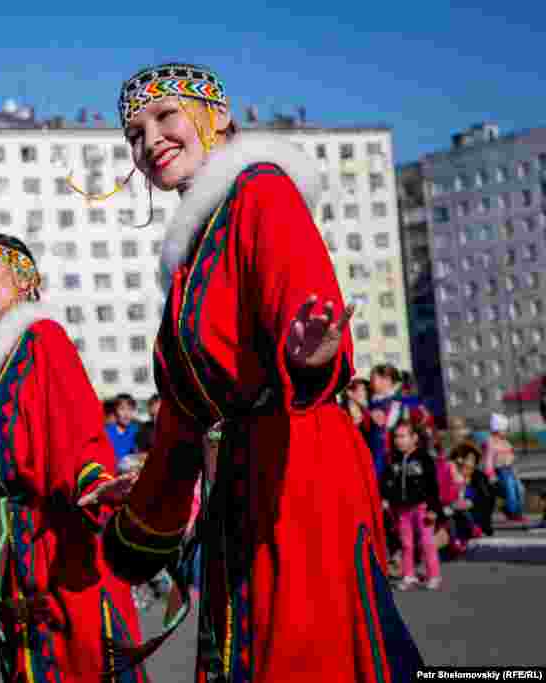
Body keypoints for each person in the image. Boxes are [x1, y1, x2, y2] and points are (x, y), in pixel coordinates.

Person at [97, 63, 422, 681]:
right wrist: (144, 506)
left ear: (219, 119)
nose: (150, 140)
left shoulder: (261, 191)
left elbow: (307, 306)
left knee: (303, 652)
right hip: (238, 484)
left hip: (297, 469)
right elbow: (182, 417)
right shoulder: (194, 248)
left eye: (166, 117)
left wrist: (309, 352)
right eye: (135, 134)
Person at [0, 233, 148, 682]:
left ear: (24, 277)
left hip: (55, 534)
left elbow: (75, 425)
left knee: (75, 656)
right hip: (16, 536)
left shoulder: (43, 338)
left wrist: (94, 479)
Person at [380, 421, 442, 591]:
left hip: (422, 508)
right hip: (402, 509)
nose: (398, 441)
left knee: (426, 542)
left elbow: (433, 486)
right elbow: (386, 482)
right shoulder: (394, 460)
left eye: (402, 436)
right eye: (396, 437)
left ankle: (434, 575)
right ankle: (409, 575)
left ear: (414, 438)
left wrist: (433, 509)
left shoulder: (424, 458)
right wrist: (385, 498)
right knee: (406, 543)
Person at [483, 413, 527, 523]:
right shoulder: (491, 443)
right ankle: (514, 513)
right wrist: (491, 475)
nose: (506, 432)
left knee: (520, 489)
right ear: (497, 429)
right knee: (510, 490)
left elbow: (511, 457)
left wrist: (514, 467)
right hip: (501, 471)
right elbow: (488, 461)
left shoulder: (505, 442)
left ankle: (516, 511)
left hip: (510, 470)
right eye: (505, 430)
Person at [106, 394, 141, 472]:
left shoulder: (136, 431)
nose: (126, 413)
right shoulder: (107, 433)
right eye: (122, 409)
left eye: (130, 409)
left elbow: (139, 455)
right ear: (115, 411)